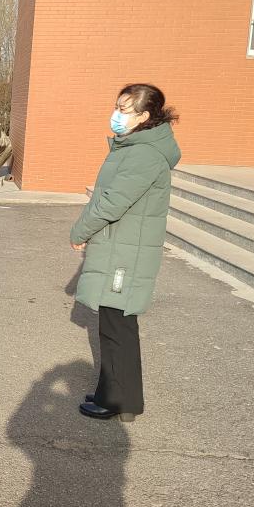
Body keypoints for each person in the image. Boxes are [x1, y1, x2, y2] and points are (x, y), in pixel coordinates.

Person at [70, 84, 180, 423]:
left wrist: (80, 231)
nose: (116, 115)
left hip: (125, 254)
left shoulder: (143, 154)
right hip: (121, 246)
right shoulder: (134, 146)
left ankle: (119, 401)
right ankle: (115, 395)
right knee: (114, 324)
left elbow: (112, 202)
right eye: (117, 106)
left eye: (124, 109)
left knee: (117, 328)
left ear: (144, 116)